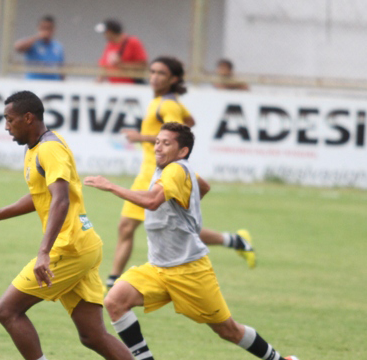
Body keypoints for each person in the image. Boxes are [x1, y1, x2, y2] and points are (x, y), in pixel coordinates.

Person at [0, 91, 174, 360]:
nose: (6, 126)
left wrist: (44, 252)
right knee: (93, 335)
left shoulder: (50, 148)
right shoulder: (36, 150)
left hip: (69, 249)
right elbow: (39, 196)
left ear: (29, 118)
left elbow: (59, 201)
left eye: (10, 120)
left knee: (7, 311)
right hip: (81, 245)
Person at [85, 122, 305, 360]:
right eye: (158, 141)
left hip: (190, 270)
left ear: (183, 150)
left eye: (166, 143)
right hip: (158, 267)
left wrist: (111, 186)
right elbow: (204, 185)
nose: (159, 146)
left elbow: (152, 202)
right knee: (115, 302)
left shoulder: (176, 169)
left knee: (228, 330)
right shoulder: (172, 169)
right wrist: (187, 206)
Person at [105, 56, 255, 288]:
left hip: (157, 173)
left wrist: (140, 137)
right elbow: (189, 121)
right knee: (168, 225)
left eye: (161, 73)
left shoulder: (168, 105)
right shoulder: (164, 101)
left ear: (173, 79)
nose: (154, 76)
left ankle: (112, 281)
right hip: (151, 171)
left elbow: (178, 134)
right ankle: (234, 240)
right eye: (152, 71)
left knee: (130, 226)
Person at [95, 19, 148, 84]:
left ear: (111, 32)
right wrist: (97, 82)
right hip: (115, 86)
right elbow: (104, 67)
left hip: (131, 86)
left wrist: (122, 65)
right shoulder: (110, 45)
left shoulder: (133, 42)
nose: (104, 35)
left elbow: (143, 66)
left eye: (105, 32)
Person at [14, 15, 64, 81]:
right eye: (43, 28)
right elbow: (18, 48)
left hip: (53, 84)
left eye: (48, 28)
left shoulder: (58, 46)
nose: (46, 31)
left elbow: (62, 69)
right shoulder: (32, 43)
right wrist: (37, 37)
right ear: (38, 28)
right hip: (34, 83)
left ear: (53, 29)